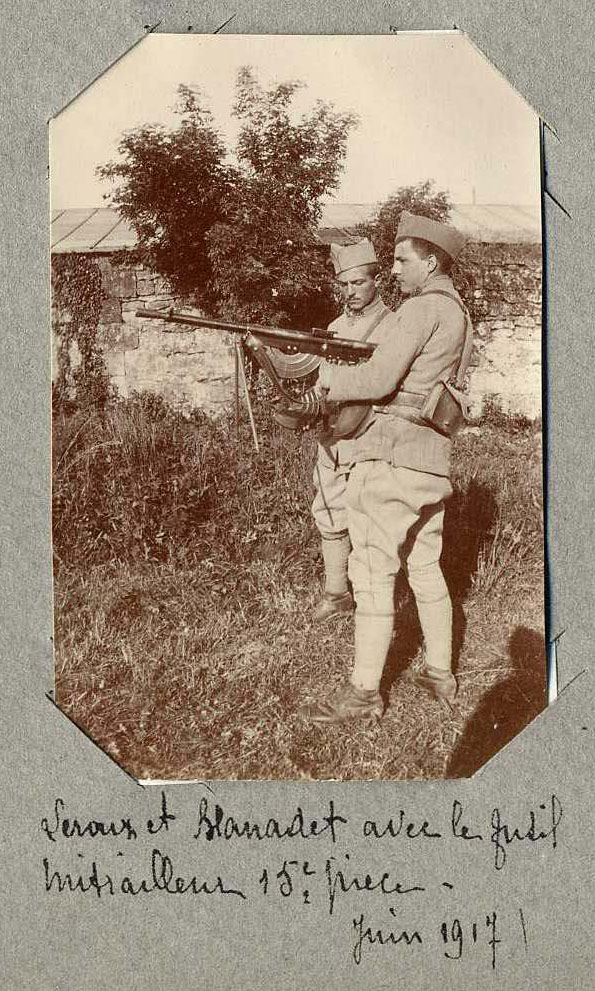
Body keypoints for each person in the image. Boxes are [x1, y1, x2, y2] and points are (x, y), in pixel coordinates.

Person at [301, 212, 471, 724]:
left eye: (401, 259)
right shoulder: (458, 312)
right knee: (424, 567)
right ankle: (440, 672)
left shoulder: (421, 310)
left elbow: (376, 379)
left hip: (391, 457)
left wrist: (318, 379)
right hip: (430, 460)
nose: (393, 269)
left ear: (432, 261)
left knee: (372, 575)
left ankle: (362, 695)